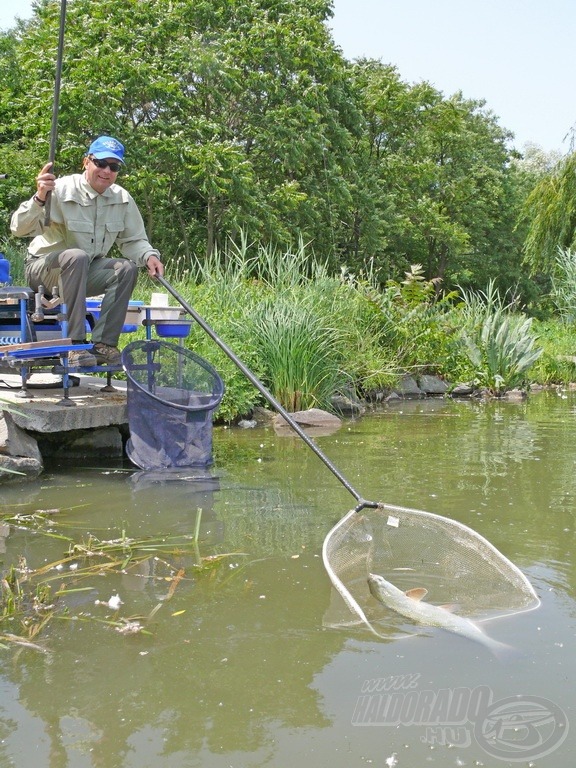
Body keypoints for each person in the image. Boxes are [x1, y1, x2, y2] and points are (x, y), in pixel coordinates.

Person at [10, 135, 164, 367]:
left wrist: (149, 256)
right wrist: (40, 197)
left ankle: (103, 345)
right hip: (43, 269)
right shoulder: (59, 188)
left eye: (113, 167)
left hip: (84, 270)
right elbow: (18, 228)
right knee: (76, 256)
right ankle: (73, 344)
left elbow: (134, 240)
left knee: (126, 268)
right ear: (86, 162)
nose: (106, 171)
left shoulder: (122, 198)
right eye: (100, 163)